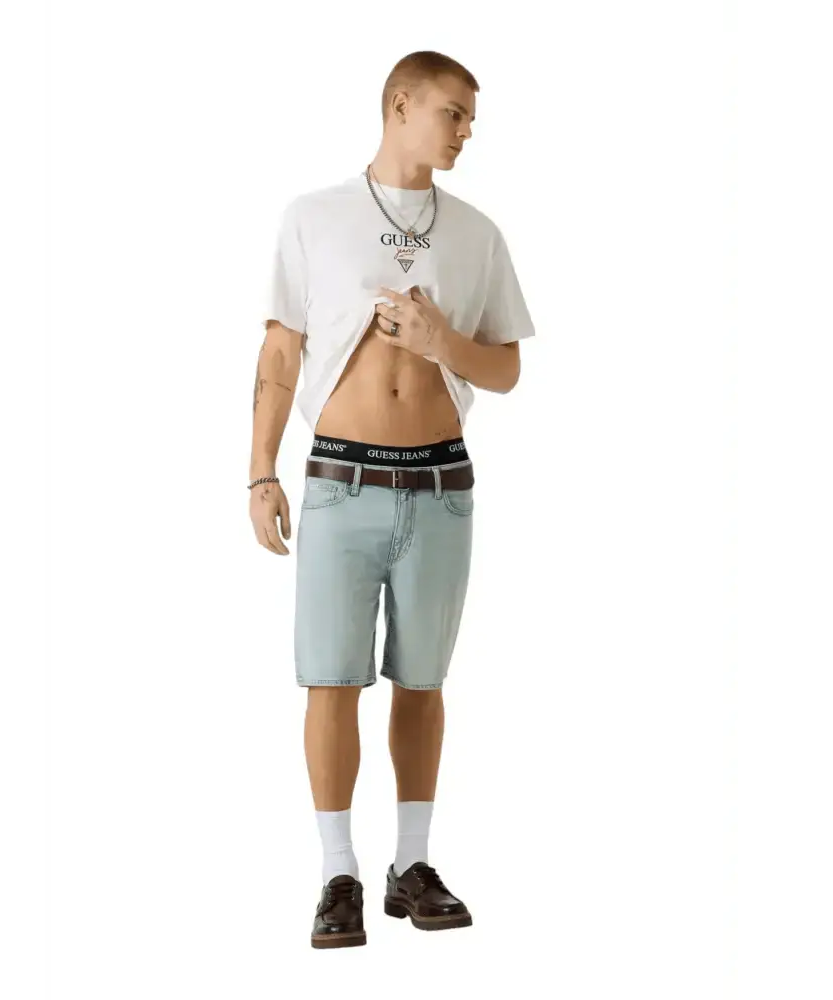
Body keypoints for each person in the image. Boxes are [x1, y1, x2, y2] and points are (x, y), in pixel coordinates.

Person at [248, 51, 536, 949]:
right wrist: (260, 471)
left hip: (441, 488)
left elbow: (507, 368)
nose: (467, 131)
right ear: (401, 104)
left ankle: (411, 865)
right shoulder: (314, 216)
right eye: (455, 113)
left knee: (422, 683)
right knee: (330, 680)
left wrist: (441, 339)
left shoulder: (477, 234)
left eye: (472, 119)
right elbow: (280, 352)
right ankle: (338, 873)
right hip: (339, 484)